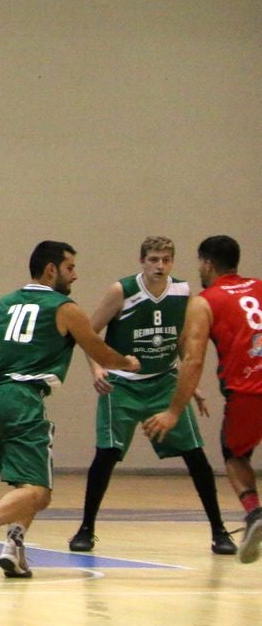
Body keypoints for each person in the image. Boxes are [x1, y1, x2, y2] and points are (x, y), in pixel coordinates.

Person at [0, 241, 140, 578]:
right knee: (39, 492)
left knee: (29, 485)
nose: (76, 275)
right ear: (51, 269)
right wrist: (127, 362)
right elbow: (99, 350)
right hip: (20, 399)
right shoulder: (64, 307)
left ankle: (15, 548)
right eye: (70, 268)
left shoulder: (5, 303)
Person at [70, 237, 235, 555]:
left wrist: (192, 383)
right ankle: (86, 528)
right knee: (106, 455)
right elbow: (88, 334)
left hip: (164, 382)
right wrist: (97, 370)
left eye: (166, 260)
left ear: (173, 262)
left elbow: (183, 341)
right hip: (123, 384)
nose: (160, 266)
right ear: (142, 261)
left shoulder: (183, 292)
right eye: (154, 259)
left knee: (196, 456)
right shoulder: (122, 291)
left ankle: (219, 531)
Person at [143, 235, 262, 564]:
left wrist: (173, 411)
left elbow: (193, 361)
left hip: (249, 392)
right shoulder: (260, 287)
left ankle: (254, 515)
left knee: (235, 457)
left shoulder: (205, 301)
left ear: (207, 263)